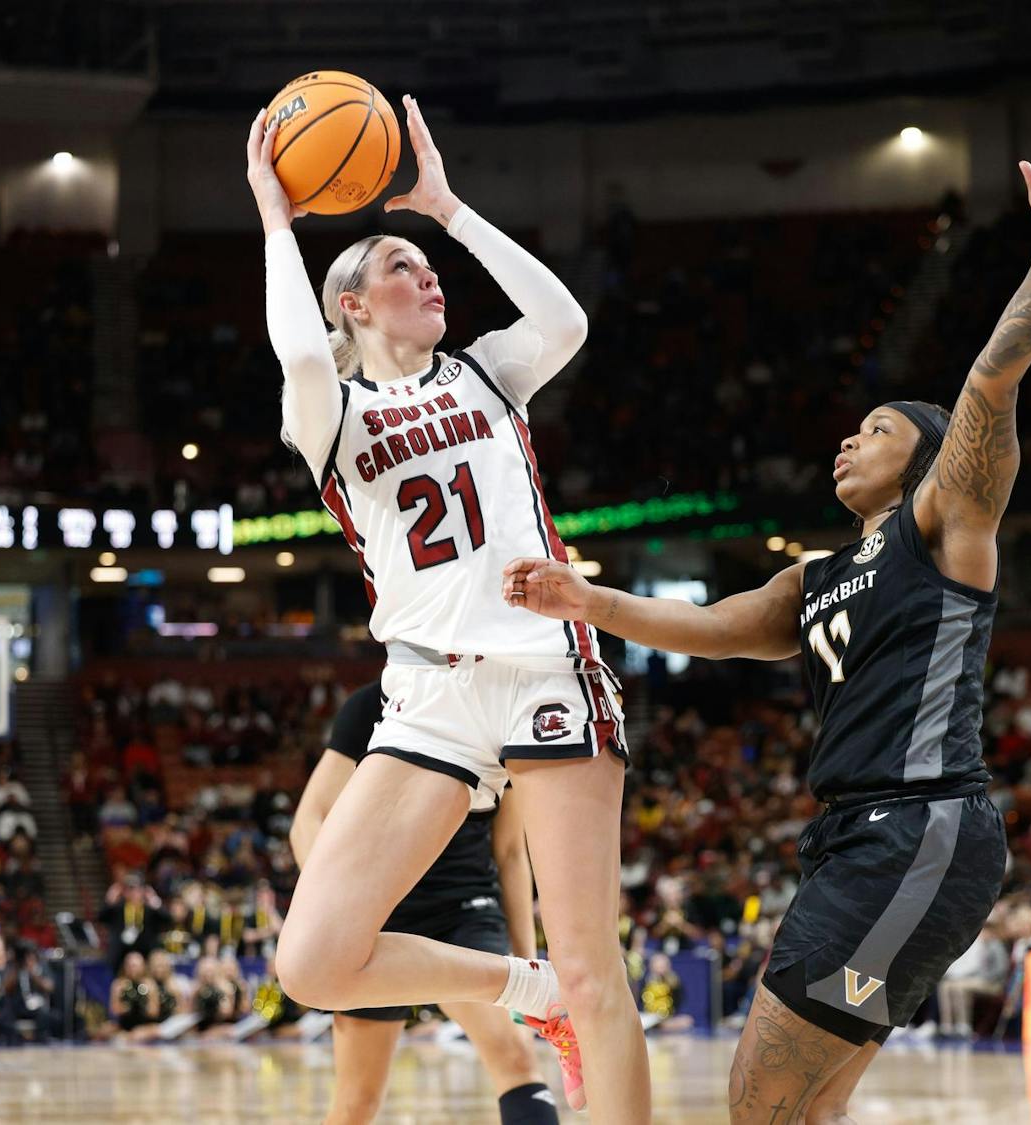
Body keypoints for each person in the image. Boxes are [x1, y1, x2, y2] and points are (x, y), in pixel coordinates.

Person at [503, 120, 1031, 1124]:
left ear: (929, 458)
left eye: (879, 428)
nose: (852, 435)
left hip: (919, 826)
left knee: (757, 1104)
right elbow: (710, 627)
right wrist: (588, 600)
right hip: (856, 839)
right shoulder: (816, 577)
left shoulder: (948, 521)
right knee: (804, 1111)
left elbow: (988, 383)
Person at [247, 93, 645, 1119]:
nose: (426, 277)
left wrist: (451, 213)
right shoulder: (334, 418)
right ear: (352, 306)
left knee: (598, 971)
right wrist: (275, 225)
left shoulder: (487, 374)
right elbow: (295, 357)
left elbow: (565, 320)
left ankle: (569, 997)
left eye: (429, 271)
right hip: (426, 695)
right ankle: (525, 990)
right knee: (316, 962)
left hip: (545, 669)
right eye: (398, 268)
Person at [290, 681, 558, 1125]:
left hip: (465, 907)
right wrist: (335, 910)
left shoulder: (502, 707)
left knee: (516, 1058)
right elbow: (308, 819)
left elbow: (510, 850)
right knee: (356, 1101)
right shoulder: (371, 704)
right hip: (380, 915)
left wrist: (528, 964)